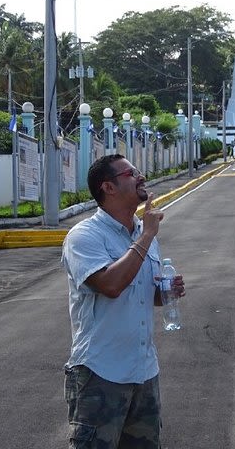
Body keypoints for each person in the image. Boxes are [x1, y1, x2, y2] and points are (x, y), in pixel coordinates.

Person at [62, 154, 185, 448]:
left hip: (143, 371)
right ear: (109, 187)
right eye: (131, 173)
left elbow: (143, 293)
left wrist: (166, 292)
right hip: (100, 372)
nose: (141, 177)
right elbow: (111, 285)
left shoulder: (144, 233)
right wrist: (146, 236)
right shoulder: (84, 236)